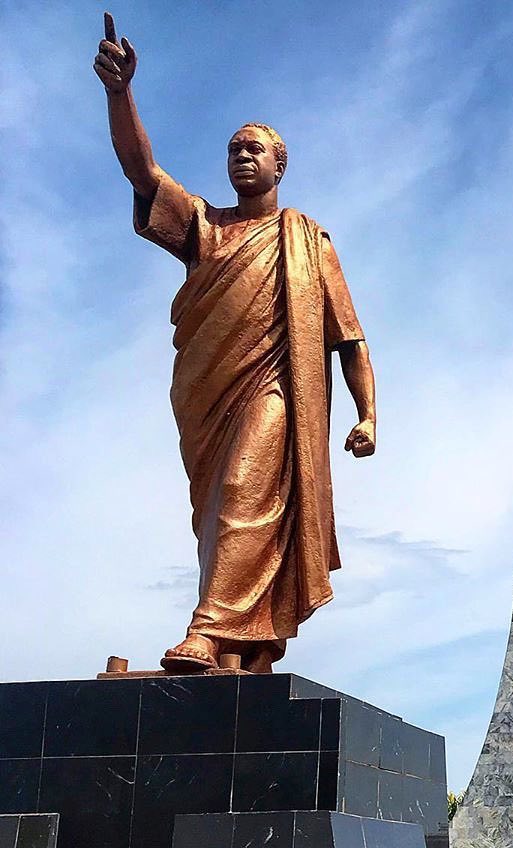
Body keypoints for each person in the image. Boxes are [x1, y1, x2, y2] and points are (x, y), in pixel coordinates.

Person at [94, 14, 376, 673]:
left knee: (245, 501)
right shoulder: (205, 229)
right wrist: (119, 93)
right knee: (222, 509)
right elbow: (143, 172)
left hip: (274, 388)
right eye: (232, 149)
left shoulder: (307, 241)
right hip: (205, 397)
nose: (241, 157)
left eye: (254, 149)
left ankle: (207, 629)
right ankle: (244, 649)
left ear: (279, 164)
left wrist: (369, 413)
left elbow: (349, 339)